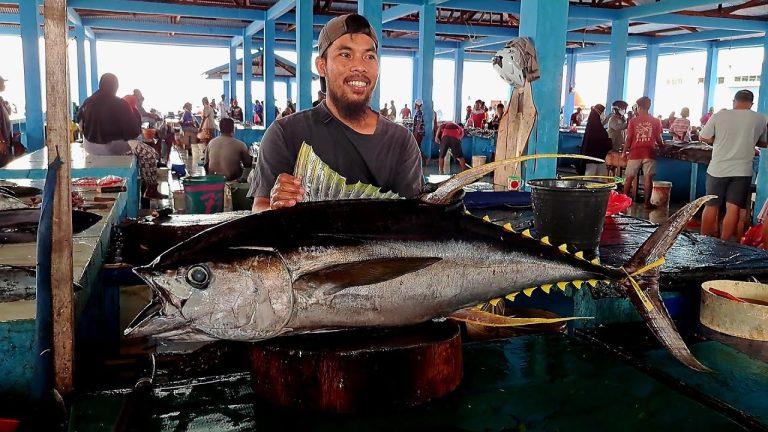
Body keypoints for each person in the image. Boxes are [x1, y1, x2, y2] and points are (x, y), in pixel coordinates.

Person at [248, 13, 423, 212]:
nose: (360, 66)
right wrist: (276, 205)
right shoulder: (285, 133)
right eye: (346, 55)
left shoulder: (401, 141)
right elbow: (260, 206)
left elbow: (413, 217)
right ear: (322, 66)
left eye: (369, 56)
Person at [699, 89, 768, 241]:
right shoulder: (760, 118)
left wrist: (716, 139)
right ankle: (724, 243)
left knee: (711, 205)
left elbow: (703, 137)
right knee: (733, 209)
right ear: (751, 103)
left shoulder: (720, 115)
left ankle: (702, 240)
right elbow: (764, 142)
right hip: (742, 171)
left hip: (718, 169)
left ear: (734, 101)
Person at [122, 94, 166, 199]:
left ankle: (148, 186)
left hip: (119, 144)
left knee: (151, 153)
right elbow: (133, 132)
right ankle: (151, 188)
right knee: (149, 154)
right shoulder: (132, 112)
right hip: (121, 145)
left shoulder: (125, 111)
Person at [623, 96, 663, 209]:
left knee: (629, 178)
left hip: (635, 153)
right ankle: (647, 203)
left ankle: (623, 201)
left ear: (639, 108)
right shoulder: (656, 121)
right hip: (649, 153)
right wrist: (662, 146)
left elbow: (629, 138)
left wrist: (624, 152)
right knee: (648, 179)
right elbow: (659, 138)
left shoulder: (633, 121)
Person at [580, 104, 613, 177]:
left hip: (592, 158)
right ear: (599, 113)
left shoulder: (592, 125)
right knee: (593, 179)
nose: (603, 114)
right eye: (602, 112)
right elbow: (603, 139)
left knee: (593, 179)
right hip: (595, 159)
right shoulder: (597, 127)